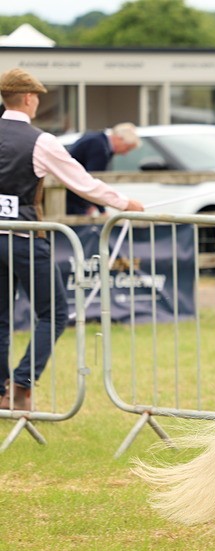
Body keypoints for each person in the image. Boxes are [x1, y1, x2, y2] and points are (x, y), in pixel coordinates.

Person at [0, 68, 143, 412]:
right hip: (23, 236)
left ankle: (2, 389)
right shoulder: (40, 141)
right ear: (30, 99)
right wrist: (125, 203)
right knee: (54, 313)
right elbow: (82, 183)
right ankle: (22, 382)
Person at [64, 122, 140, 216]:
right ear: (119, 139)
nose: (125, 153)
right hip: (72, 198)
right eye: (127, 148)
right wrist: (102, 210)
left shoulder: (97, 140)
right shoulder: (99, 147)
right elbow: (93, 180)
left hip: (71, 193)